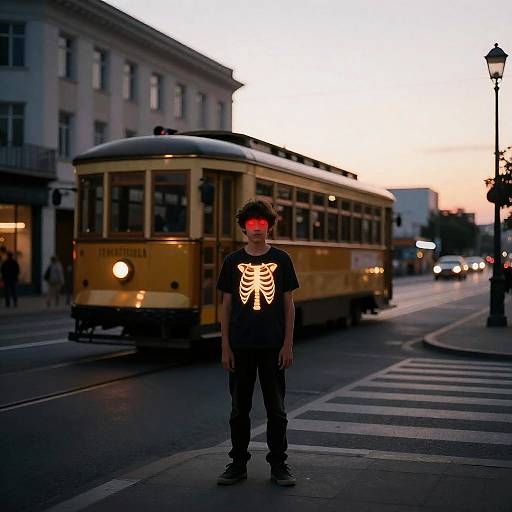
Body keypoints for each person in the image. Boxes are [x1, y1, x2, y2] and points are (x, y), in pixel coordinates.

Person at [216, 200, 299, 487]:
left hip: (273, 346)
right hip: (240, 346)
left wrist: (288, 344)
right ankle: (237, 463)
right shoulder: (231, 262)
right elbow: (226, 306)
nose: (256, 228)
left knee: (276, 408)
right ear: (243, 227)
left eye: (262, 223)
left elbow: (289, 305)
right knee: (239, 408)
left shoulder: (283, 260)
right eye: (251, 224)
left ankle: (279, 465)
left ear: (270, 226)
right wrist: (225, 346)